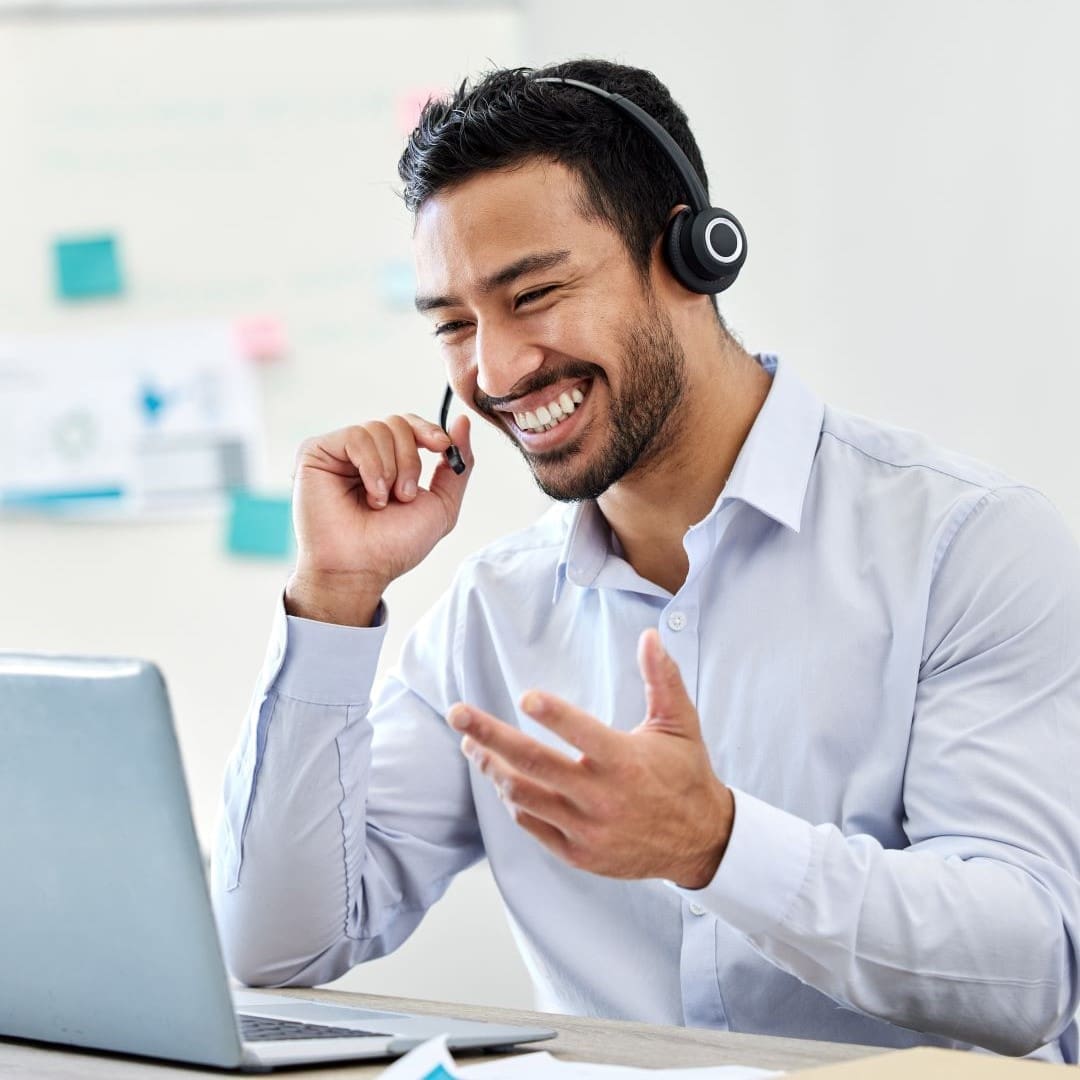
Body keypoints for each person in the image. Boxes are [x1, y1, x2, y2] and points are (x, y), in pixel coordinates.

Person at [210, 59, 1080, 1062]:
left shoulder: (966, 547)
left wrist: (716, 845)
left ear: (690, 255)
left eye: (532, 294)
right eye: (454, 324)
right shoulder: (495, 612)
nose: (492, 373)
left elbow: (1031, 972)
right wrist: (333, 595)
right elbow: (275, 946)